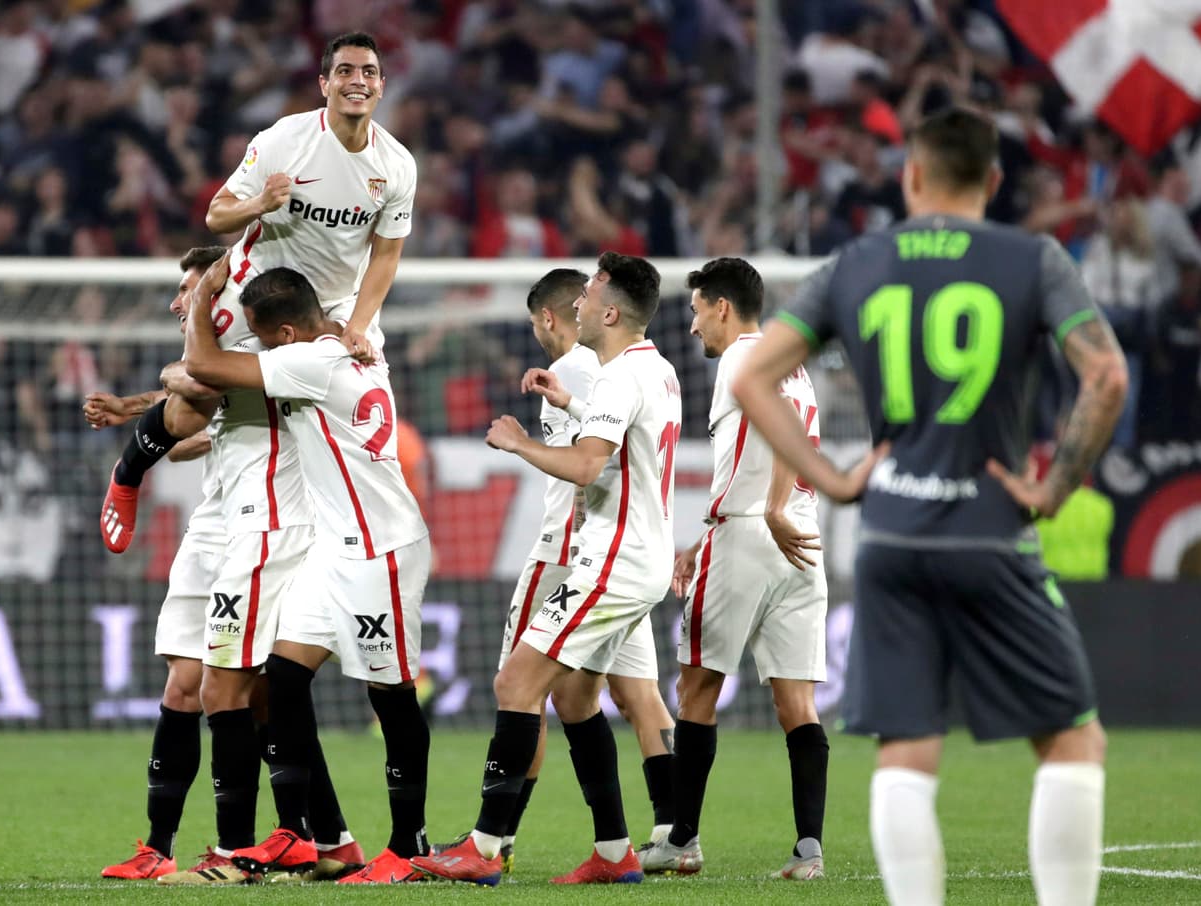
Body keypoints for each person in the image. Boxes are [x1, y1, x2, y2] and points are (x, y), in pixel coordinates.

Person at [733, 107, 1127, 906]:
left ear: (911, 176)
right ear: (993, 180)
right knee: (1073, 739)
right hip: (989, 535)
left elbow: (751, 379)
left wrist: (835, 478)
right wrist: (1052, 490)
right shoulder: (1032, 258)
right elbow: (1108, 376)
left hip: (889, 536)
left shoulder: (856, 262)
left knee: (907, 749)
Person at [88, 248, 364, 883]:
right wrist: (143, 403)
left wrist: (161, 397)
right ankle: (164, 846)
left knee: (241, 692)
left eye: (190, 288)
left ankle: (244, 851)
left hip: (268, 529)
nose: (178, 303)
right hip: (217, 522)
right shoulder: (251, 355)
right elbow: (192, 394)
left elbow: (196, 377)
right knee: (190, 685)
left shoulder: (279, 351)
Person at [410, 252, 680, 886]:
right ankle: (615, 853)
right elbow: (623, 451)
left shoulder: (616, 377)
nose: (578, 304)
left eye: (588, 295)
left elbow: (588, 468)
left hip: (610, 560)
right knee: (578, 699)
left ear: (609, 311)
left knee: (515, 684)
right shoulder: (657, 368)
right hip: (638, 555)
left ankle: (484, 846)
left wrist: (518, 443)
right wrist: (569, 405)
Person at [100, 30, 416, 553]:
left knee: (354, 408)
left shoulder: (397, 165)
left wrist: (358, 325)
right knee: (198, 395)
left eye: (367, 72)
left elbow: (386, 253)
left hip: (329, 304)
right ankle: (130, 472)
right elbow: (216, 213)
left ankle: (346, 536)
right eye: (344, 71)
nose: (356, 81)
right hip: (254, 285)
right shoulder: (283, 141)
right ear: (324, 83)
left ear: (382, 86)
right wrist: (260, 204)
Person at [183, 260, 432, 886]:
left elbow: (206, 368)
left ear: (287, 335)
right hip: (334, 549)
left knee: (392, 694)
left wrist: (201, 302)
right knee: (284, 678)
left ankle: (409, 846)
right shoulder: (360, 339)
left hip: (382, 548)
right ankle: (295, 836)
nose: (261, 351)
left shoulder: (313, 363)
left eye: (264, 340)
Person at [638, 257, 830, 880]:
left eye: (695, 311)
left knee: (696, 688)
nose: (692, 327)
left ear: (722, 306)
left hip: (756, 532)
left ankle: (682, 839)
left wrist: (765, 508)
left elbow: (785, 428)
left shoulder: (747, 358)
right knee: (796, 702)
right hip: (802, 540)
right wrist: (708, 532)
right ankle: (809, 850)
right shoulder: (793, 363)